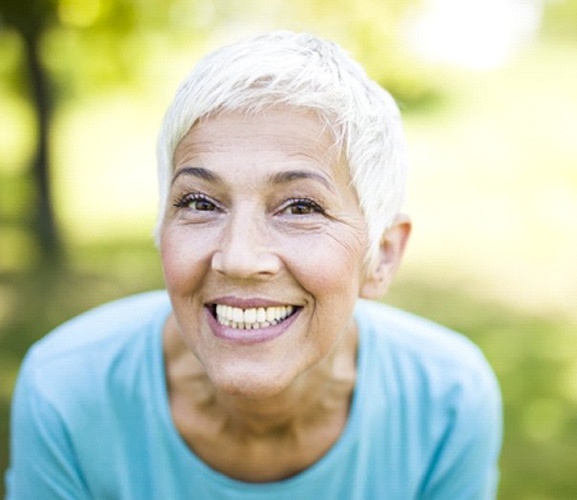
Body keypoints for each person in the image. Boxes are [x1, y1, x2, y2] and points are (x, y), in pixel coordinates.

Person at [6, 31, 502, 499]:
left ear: (383, 256)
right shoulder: (67, 394)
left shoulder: (447, 403)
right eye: (200, 202)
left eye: (301, 207)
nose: (239, 258)